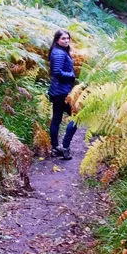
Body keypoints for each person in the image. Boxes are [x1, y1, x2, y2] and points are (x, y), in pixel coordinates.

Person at [47, 29, 78, 160]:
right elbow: (57, 72)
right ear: (57, 40)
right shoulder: (59, 53)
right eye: (63, 39)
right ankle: (65, 147)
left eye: (67, 38)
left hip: (57, 91)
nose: (66, 41)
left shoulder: (57, 51)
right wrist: (71, 75)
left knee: (56, 119)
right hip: (63, 92)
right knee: (76, 118)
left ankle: (55, 148)